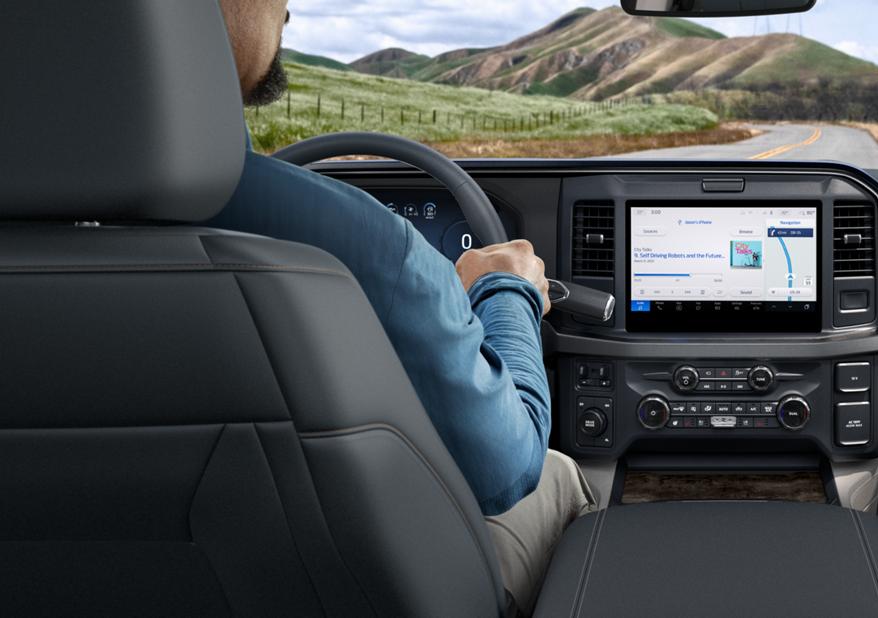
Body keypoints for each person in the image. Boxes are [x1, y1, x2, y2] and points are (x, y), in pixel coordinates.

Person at [212, 1, 596, 613]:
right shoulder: (369, 245)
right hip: (343, 584)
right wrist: (505, 294)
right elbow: (506, 468)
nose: (287, 15)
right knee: (555, 474)